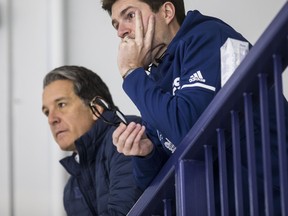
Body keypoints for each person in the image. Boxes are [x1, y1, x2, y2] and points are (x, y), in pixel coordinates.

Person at [101, 0, 288, 215]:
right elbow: (150, 183)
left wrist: (131, 74)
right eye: (116, 24)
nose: (121, 32)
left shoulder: (208, 37)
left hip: (272, 201)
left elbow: (189, 129)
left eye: (130, 16)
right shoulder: (155, 78)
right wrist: (147, 154)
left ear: (167, 11)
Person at [41, 65, 143, 216]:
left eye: (61, 104)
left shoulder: (124, 135)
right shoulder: (71, 189)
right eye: (47, 112)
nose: (51, 119)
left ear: (96, 108)